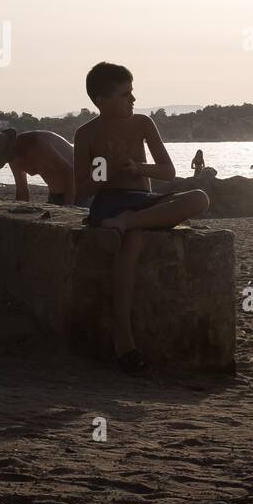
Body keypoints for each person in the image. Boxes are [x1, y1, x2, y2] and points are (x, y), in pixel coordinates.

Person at [74, 63, 210, 374]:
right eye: (125, 95)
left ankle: (125, 222)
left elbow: (168, 172)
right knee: (133, 240)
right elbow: (79, 192)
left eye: (132, 93)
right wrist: (105, 168)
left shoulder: (143, 124)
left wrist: (138, 168)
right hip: (109, 203)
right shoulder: (87, 134)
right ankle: (125, 340)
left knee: (199, 198)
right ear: (101, 100)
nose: (133, 100)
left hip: (139, 203)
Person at [0, 128, 84, 206]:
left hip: (81, 190)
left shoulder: (39, 144)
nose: (12, 160)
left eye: (10, 155)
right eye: (7, 159)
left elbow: (70, 172)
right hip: (55, 195)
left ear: (12, 145)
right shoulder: (11, 159)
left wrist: (69, 206)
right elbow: (22, 191)